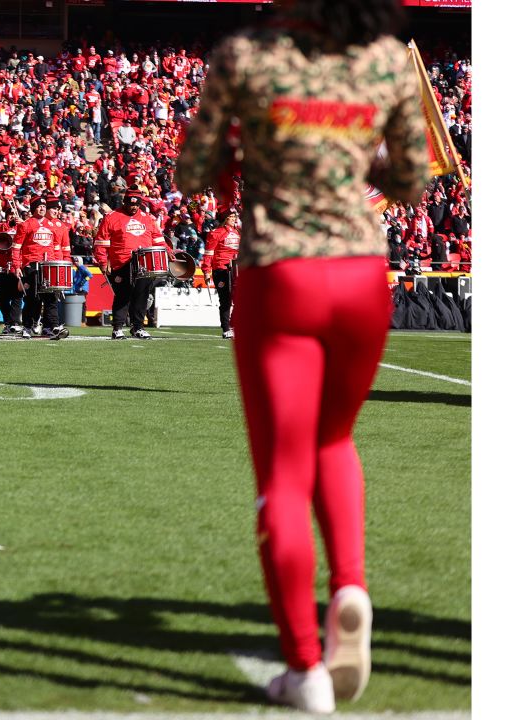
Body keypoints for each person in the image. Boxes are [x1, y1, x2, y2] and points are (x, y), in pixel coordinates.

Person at [175, 0, 429, 713]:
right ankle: (350, 586)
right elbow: (411, 182)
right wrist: (348, 157)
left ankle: (305, 669)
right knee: (335, 439)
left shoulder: (246, 54)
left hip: (279, 275)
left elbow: (192, 172)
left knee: (283, 475)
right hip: (360, 277)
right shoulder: (386, 60)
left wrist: (247, 154)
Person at [94, 190, 169, 340]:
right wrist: (103, 262)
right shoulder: (112, 217)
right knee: (123, 295)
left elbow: (158, 239)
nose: (133, 207)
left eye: (136, 204)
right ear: (125, 202)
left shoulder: (147, 218)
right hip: (121, 263)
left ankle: (138, 327)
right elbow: (100, 243)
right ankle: (118, 328)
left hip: (145, 263)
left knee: (141, 296)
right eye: (130, 204)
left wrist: (168, 250)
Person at [10, 195, 69, 340]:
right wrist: (17, 266)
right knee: (32, 298)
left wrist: (58, 265)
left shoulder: (52, 226)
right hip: (32, 266)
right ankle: (27, 326)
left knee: (51, 297)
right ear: (33, 208)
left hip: (48, 266)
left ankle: (54, 326)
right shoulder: (26, 225)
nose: (42, 208)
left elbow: (55, 248)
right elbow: (16, 247)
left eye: (44, 206)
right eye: (39, 206)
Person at [202, 208, 242, 339]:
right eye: (231, 217)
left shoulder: (237, 232)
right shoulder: (215, 233)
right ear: (225, 219)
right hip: (221, 269)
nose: (234, 219)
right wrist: (206, 271)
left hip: (236, 268)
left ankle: (235, 324)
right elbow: (208, 253)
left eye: (234, 216)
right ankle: (226, 328)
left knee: (240, 299)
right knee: (225, 300)